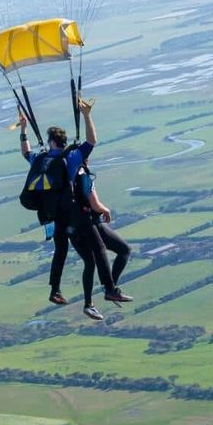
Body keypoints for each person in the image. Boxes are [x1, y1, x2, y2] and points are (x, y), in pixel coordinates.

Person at [20, 97, 130, 320]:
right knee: (99, 250)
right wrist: (87, 115)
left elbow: (25, 151)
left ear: (50, 141)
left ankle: (56, 291)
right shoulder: (70, 158)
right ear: (63, 141)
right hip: (75, 215)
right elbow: (91, 142)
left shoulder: (40, 160)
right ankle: (110, 289)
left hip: (54, 218)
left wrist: (23, 129)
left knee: (62, 252)